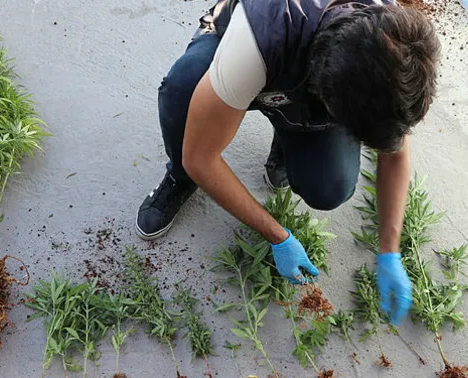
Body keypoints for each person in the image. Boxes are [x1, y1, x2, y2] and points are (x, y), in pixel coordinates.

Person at [134, 0, 440, 325]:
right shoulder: (260, 37)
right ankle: (179, 179)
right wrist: (278, 236)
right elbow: (201, 158)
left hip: (305, 79)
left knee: (330, 186)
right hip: (247, 49)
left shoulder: (394, 47)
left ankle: (287, 134)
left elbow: (396, 149)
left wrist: (390, 251)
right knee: (184, 90)